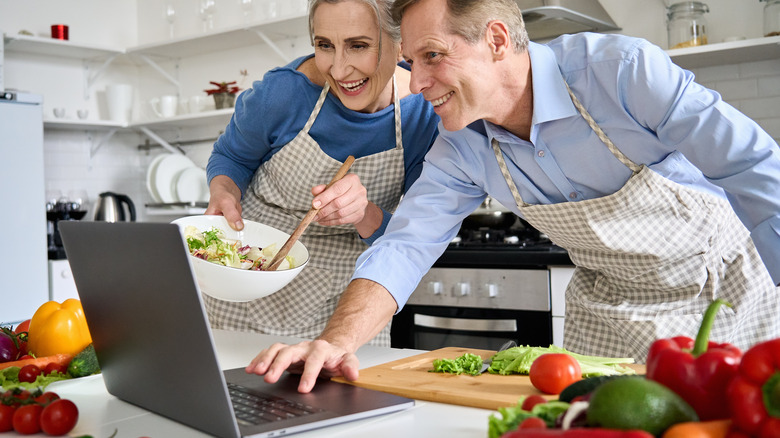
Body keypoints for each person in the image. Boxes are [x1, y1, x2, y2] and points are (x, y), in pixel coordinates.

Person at [247, 0, 780, 393]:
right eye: (411, 62)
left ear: (497, 40)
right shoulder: (459, 145)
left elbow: (752, 166)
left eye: (432, 56)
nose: (417, 81)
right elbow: (404, 246)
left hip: (723, 291)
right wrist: (336, 342)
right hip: (611, 307)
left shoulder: (621, 74)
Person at [204, 0, 439, 347]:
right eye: (324, 45)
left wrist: (365, 213)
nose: (340, 69)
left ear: (401, 42)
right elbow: (231, 157)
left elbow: (413, 241)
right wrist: (224, 192)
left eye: (358, 46)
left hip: (348, 307)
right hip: (247, 288)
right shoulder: (282, 93)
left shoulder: (423, 115)